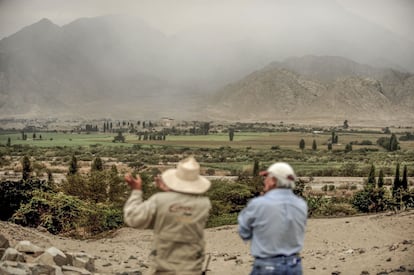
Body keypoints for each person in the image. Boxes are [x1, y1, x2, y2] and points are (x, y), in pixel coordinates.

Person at [123, 156, 212, 275]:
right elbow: (181, 214)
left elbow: (133, 219)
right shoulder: (204, 204)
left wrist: (136, 191)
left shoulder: (159, 200)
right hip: (192, 268)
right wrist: (169, 192)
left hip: (163, 267)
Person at [238, 162, 308, 275]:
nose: (264, 180)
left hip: (267, 265)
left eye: (267, 177)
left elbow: (244, 232)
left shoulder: (259, 203)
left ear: (274, 181)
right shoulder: (301, 204)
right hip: (294, 264)